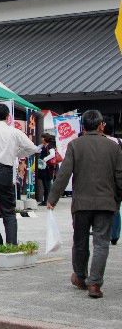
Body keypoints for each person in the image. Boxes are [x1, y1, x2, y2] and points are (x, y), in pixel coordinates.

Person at [48, 110, 122, 299]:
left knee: (80, 242)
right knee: (101, 243)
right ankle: (95, 284)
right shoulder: (114, 147)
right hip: (106, 203)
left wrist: (53, 198)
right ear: (100, 125)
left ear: (82, 126)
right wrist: (117, 200)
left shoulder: (75, 145)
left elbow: (64, 174)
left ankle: (80, 277)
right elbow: (120, 177)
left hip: (81, 203)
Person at [0, 103, 38, 250]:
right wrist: (17, 153)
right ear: (8, 116)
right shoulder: (14, 132)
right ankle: (11, 245)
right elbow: (32, 148)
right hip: (5, 170)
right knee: (8, 210)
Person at [37, 134, 56, 206]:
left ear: (45, 139)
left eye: (42, 138)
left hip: (48, 169)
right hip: (44, 168)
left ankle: (49, 201)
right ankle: (45, 201)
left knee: (47, 185)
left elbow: (52, 154)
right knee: (45, 185)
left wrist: (45, 159)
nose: (41, 139)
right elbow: (37, 149)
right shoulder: (44, 145)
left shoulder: (50, 146)